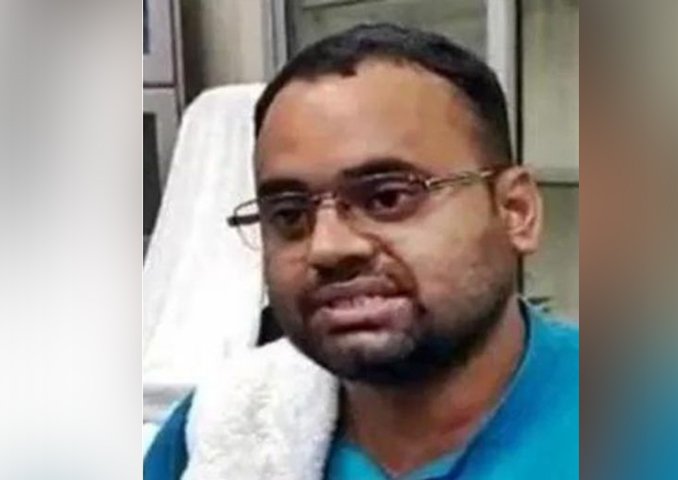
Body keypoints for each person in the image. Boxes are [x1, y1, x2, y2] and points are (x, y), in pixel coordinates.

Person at [144, 23, 578, 480]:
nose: (328, 248)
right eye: (290, 214)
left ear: (515, 211)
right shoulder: (217, 433)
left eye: (388, 198)